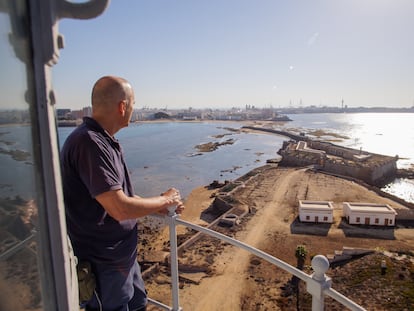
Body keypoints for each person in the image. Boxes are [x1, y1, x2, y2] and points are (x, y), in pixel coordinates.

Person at [60, 76, 184, 311]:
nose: (134, 109)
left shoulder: (104, 141)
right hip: (103, 265)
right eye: (134, 103)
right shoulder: (90, 143)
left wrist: (158, 206)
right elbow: (119, 209)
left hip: (121, 260)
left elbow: (121, 196)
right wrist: (166, 199)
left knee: (138, 304)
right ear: (122, 106)